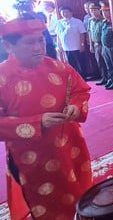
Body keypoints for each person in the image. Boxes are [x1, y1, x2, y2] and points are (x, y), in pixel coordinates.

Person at [0, 17, 92, 220]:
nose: (38, 47)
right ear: (8, 46)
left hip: (71, 146)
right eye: (29, 42)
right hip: (33, 157)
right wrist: (37, 122)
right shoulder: (2, 77)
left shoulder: (59, 67)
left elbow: (81, 90)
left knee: (80, 190)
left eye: (40, 40)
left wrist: (75, 107)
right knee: (49, 204)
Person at [56, 6, 87, 79]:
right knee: (70, 64)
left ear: (71, 12)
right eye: (63, 12)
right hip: (66, 47)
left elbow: (82, 33)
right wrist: (59, 45)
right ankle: (73, 78)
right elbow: (58, 34)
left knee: (80, 63)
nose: (65, 14)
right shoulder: (60, 22)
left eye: (66, 12)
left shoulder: (77, 21)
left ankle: (82, 78)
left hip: (76, 46)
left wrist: (82, 44)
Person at [100, 3, 113, 93]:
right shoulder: (104, 22)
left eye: (106, 11)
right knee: (109, 66)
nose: (104, 13)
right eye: (103, 11)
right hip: (105, 47)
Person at [89, 4, 108, 86]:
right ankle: (104, 78)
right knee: (99, 62)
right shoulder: (90, 21)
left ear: (99, 10)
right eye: (91, 10)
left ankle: (111, 79)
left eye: (95, 10)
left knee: (107, 62)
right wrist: (91, 45)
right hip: (96, 44)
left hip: (103, 44)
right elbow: (89, 33)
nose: (93, 12)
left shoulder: (104, 20)